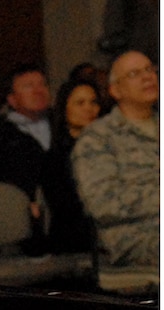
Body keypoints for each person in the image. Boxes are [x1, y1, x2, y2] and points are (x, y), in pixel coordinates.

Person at [72, 50, 160, 271]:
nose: (148, 77)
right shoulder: (98, 138)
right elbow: (103, 204)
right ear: (115, 90)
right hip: (134, 238)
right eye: (134, 74)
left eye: (150, 69)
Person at [41, 77, 106, 253]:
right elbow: (66, 209)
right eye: (80, 103)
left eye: (93, 102)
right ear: (64, 109)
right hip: (75, 241)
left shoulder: (111, 150)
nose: (89, 108)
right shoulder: (54, 158)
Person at [3, 63, 55, 150]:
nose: (39, 91)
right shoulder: (0, 135)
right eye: (28, 86)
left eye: (43, 84)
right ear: (12, 99)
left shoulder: (62, 123)